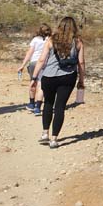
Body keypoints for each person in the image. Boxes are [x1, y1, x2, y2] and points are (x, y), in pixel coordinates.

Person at [30, 16, 86, 149]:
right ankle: (54, 139)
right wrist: (81, 80)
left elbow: (42, 60)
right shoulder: (78, 42)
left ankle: (45, 134)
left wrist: (34, 77)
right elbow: (81, 62)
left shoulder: (51, 40)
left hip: (49, 76)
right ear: (74, 27)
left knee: (48, 103)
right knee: (60, 107)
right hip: (68, 77)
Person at [17, 24, 52, 115]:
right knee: (41, 85)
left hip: (33, 63)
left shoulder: (35, 40)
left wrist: (23, 65)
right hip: (45, 63)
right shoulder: (51, 40)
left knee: (33, 82)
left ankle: (32, 104)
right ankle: (38, 107)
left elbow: (30, 53)